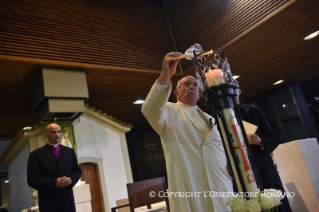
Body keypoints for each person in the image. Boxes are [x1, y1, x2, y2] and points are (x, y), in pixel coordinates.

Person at [142, 52, 233, 212]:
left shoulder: (209, 118)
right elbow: (149, 109)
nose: (192, 86)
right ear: (176, 93)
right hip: (192, 186)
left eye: (195, 85)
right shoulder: (169, 112)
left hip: (221, 186)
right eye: (186, 84)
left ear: (199, 94)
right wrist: (165, 76)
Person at [234, 80, 292, 212]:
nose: (232, 93)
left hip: (261, 165)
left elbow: (273, 138)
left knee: (275, 203)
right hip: (240, 167)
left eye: (234, 89)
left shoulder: (253, 112)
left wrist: (260, 140)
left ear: (239, 91)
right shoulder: (221, 118)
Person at [27, 123, 82, 212]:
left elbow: (77, 170)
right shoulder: (36, 155)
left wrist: (71, 179)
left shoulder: (69, 152)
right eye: (53, 132)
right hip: (48, 203)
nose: (57, 135)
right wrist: (54, 183)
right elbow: (32, 180)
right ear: (46, 134)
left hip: (67, 202)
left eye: (59, 132)